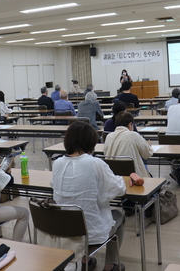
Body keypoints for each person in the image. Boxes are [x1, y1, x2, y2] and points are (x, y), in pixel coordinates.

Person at [51, 121, 126, 271]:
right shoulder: (95, 163)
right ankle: (111, 265)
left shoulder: (57, 163)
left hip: (64, 231)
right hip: (90, 233)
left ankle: (85, 260)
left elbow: (54, 185)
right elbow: (118, 189)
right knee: (119, 215)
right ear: (90, 142)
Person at [104, 111, 152, 177]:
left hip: (113, 176)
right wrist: (149, 147)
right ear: (130, 124)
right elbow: (147, 154)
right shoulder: (134, 135)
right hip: (134, 177)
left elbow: (105, 152)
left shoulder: (109, 136)